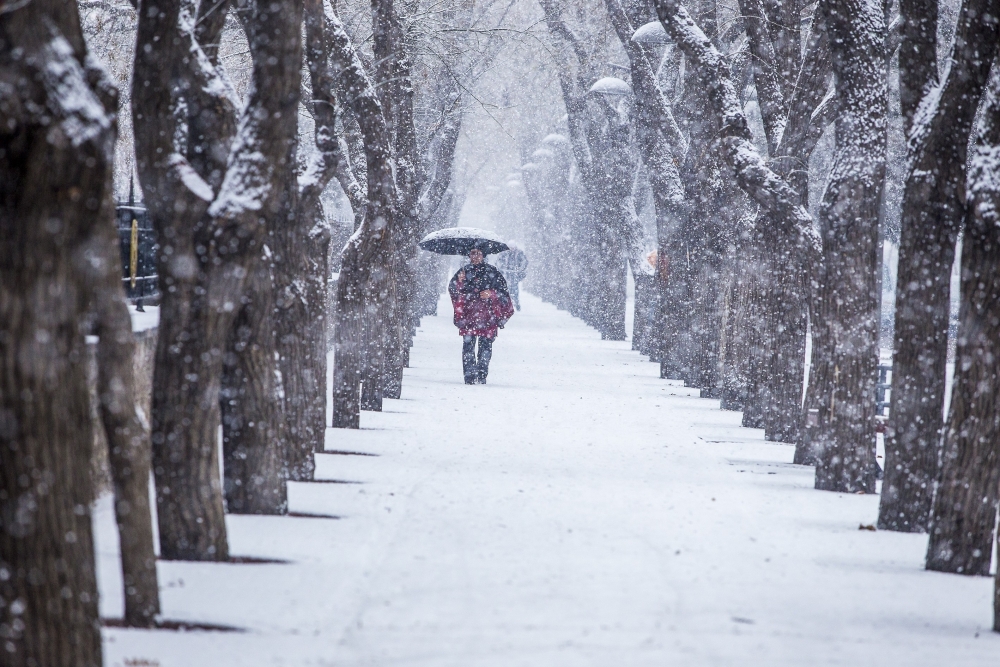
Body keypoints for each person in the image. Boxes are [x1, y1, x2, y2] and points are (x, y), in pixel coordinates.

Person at [448, 247, 515, 384]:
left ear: (484, 255)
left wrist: (492, 294)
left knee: (486, 347)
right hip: (469, 316)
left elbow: (503, 292)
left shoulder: (492, 272)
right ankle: (469, 376)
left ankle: (482, 374)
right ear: (469, 255)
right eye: (473, 253)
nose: (476, 256)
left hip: (488, 316)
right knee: (468, 347)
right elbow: (453, 289)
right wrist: (460, 283)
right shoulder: (463, 272)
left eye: (479, 253)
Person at [495, 243, 528, 311]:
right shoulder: (503, 253)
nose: (511, 249)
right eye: (510, 247)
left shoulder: (519, 253)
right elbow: (498, 261)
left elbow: (524, 262)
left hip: (514, 275)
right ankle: (505, 304)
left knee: (515, 289)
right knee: (505, 289)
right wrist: (502, 268)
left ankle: (516, 302)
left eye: (513, 248)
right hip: (505, 274)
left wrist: (519, 269)